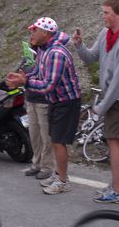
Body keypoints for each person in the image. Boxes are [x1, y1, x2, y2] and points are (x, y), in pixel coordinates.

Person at [73, 0, 119, 203]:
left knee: (115, 142)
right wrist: (79, 46)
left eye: (106, 13)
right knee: (114, 141)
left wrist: (101, 107)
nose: (102, 16)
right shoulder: (107, 33)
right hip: (114, 97)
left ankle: (118, 191)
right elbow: (91, 57)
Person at [6, 17, 82, 195]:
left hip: (66, 101)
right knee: (55, 140)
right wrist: (23, 78)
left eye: (34, 31)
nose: (31, 34)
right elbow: (39, 73)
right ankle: (58, 175)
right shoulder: (45, 50)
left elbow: (48, 85)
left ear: (45, 33)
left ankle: (62, 181)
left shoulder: (56, 53)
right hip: (57, 100)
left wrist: (25, 82)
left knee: (58, 142)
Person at [21, 43, 55, 181]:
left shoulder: (48, 53)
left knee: (46, 136)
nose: (32, 37)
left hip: (43, 100)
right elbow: (22, 71)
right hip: (30, 98)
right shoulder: (29, 53)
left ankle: (47, 167)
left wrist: (29, 72)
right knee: (34, 134)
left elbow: (48, 77)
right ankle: (36, 163)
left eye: (35, 32)